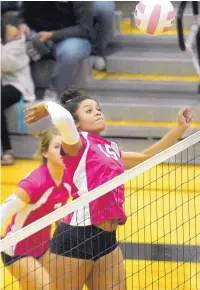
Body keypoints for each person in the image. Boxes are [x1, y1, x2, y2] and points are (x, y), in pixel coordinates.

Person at [24, 89, 193, 290]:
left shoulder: (109, 147)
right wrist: (46, 106)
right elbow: (62, 120)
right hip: (77, 236)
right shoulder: (76, 144)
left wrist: (179, 130)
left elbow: (146, 158)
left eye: (98, 109)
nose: (97, 112)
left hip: (106, 239)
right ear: (76, 122)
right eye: (89, 110)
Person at [0, 128, 71, 290]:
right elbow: (2, 213)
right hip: (17, 250)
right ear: (45, 153)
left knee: (62, 283)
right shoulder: (34, 184)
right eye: (56, 147)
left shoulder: (67, 179)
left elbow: (57, 211)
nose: (62, 151)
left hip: (42, 248)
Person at [1, 11, 36, 165]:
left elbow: (5, 64)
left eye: (16, 33)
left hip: (18, 87)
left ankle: (7, 150)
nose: (14, 37)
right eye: (10, 33)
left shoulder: (19, 45)